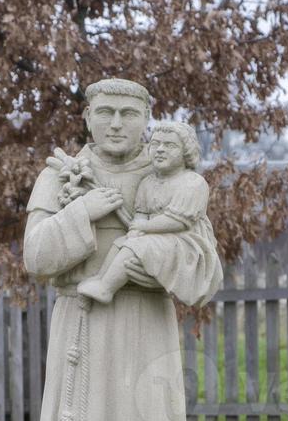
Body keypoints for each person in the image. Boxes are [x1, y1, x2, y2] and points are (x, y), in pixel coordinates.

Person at [23, 78, 222, 421]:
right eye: (105, 112)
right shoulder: (61, 175)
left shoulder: (169, 178)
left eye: (129, 114)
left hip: (144, 326)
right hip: (81, 327)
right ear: (87, 116)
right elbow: (36, 257)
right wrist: (82, 212)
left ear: (147, 119)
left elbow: (203, 267)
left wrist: (146, 265)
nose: (116, 123)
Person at [77, 121, 221, 306]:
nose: (160, 149)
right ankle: (101, 281)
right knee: (121, 244)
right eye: (155, 144)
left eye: (169, 145)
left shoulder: (192, 183)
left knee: (138, 247)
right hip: (155, 237)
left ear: (186, 151)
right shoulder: (148, 183)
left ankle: (106, 288)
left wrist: (143, 227)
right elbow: (141, 214)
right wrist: (134, 231)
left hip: (184, 241)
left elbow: (178, 221)